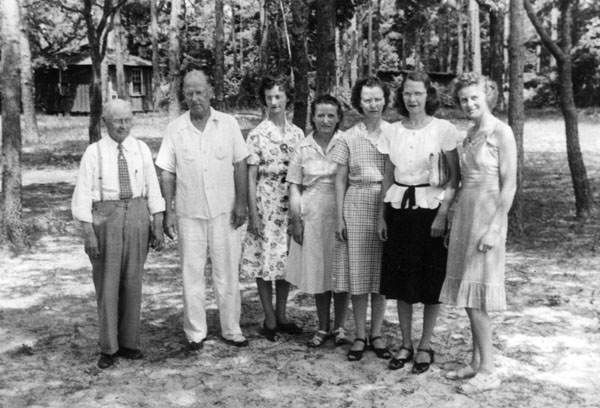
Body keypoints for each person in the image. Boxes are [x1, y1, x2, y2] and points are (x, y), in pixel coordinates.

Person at [155, 69, 249, 350]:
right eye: (189, 93)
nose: (195, 98)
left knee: (227, 272)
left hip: (225, 211)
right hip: (189, 213)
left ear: (211, 92)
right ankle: (196, 331)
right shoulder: (175, 129)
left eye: (200, 92)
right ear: (184, 96)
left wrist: (241, 202)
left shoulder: (229, 124)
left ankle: (231, 328)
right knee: (191, 273)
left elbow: (240, 164)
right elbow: (167, 171)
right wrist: (169, 210)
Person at [72, 99, 165, 369]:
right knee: (108, 283)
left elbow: (152, 186)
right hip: (106, 218)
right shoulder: (94, 152)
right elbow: (82, 195)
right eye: (116, 121)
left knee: (132, 283)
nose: (122, 126)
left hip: (137, 215)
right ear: (105, 122)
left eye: (127, 120)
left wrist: (156, 222)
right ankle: (108, 347)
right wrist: (88, 233)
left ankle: (129, 343)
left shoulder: (141, 149)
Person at [377, 71, 460, 374]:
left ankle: (425, 345)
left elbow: (454, 177)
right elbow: (388, 174)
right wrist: (381, 216)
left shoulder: (444, 129)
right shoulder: (392, 131)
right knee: (401, 281)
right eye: (408, 94)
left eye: (419, 94)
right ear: (402, 97)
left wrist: (442, 213)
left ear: (429, 95)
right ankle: (405, 343)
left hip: (430, 210)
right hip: (399, 209)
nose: (413, 99)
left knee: (429, 280)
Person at [439, 73, 517, 393]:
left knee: (478, 299)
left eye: (474, 98)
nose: (469, 104)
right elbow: (458, 182)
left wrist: (495, 229)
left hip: (488, 219)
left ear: (488, 96)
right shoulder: (469, 134)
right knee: (469, 295)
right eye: (463, 100)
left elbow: (509, 184)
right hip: (465, 217)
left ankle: (489, 370)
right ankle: (475, 363)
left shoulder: (502, 132)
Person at [331, 77, 392, 362]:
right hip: (355, 204)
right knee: (358, 274)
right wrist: (339, 216)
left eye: (377, 98)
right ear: (359, 102)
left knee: (380, 274)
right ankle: (358, 335)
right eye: (367, 99)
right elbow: (340, 178)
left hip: (386, 204)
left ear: (385, 100)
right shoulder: (348, 136)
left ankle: (377, 333)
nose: (373, 104)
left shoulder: (395, 133)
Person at [241, 76, 304, 341]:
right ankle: (268, 319)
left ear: (287, 98)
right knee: (265, 262)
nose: (274, 102)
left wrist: (299, 210)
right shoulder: (257, 134)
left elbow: (301, 173)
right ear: (264, 101)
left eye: (278, 96)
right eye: (269, 97)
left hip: (289, 201)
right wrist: (253, 213)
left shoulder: (297, 134)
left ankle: (282, 314)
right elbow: (251, 177)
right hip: (265, 203)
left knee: (285, 261)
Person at [286, 95, 350, 348]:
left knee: (340, 271)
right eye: (321, 115)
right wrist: (296, 221)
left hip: (340, 213)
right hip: (312, 214)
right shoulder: (303, 146)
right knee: (319, 272)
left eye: (331, 116)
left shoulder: (345, 142)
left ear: (338, 118)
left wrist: (345, 217)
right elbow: (294, 186)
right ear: (313, 117)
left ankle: (341, 327)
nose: (326, 121)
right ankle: (323, 327)